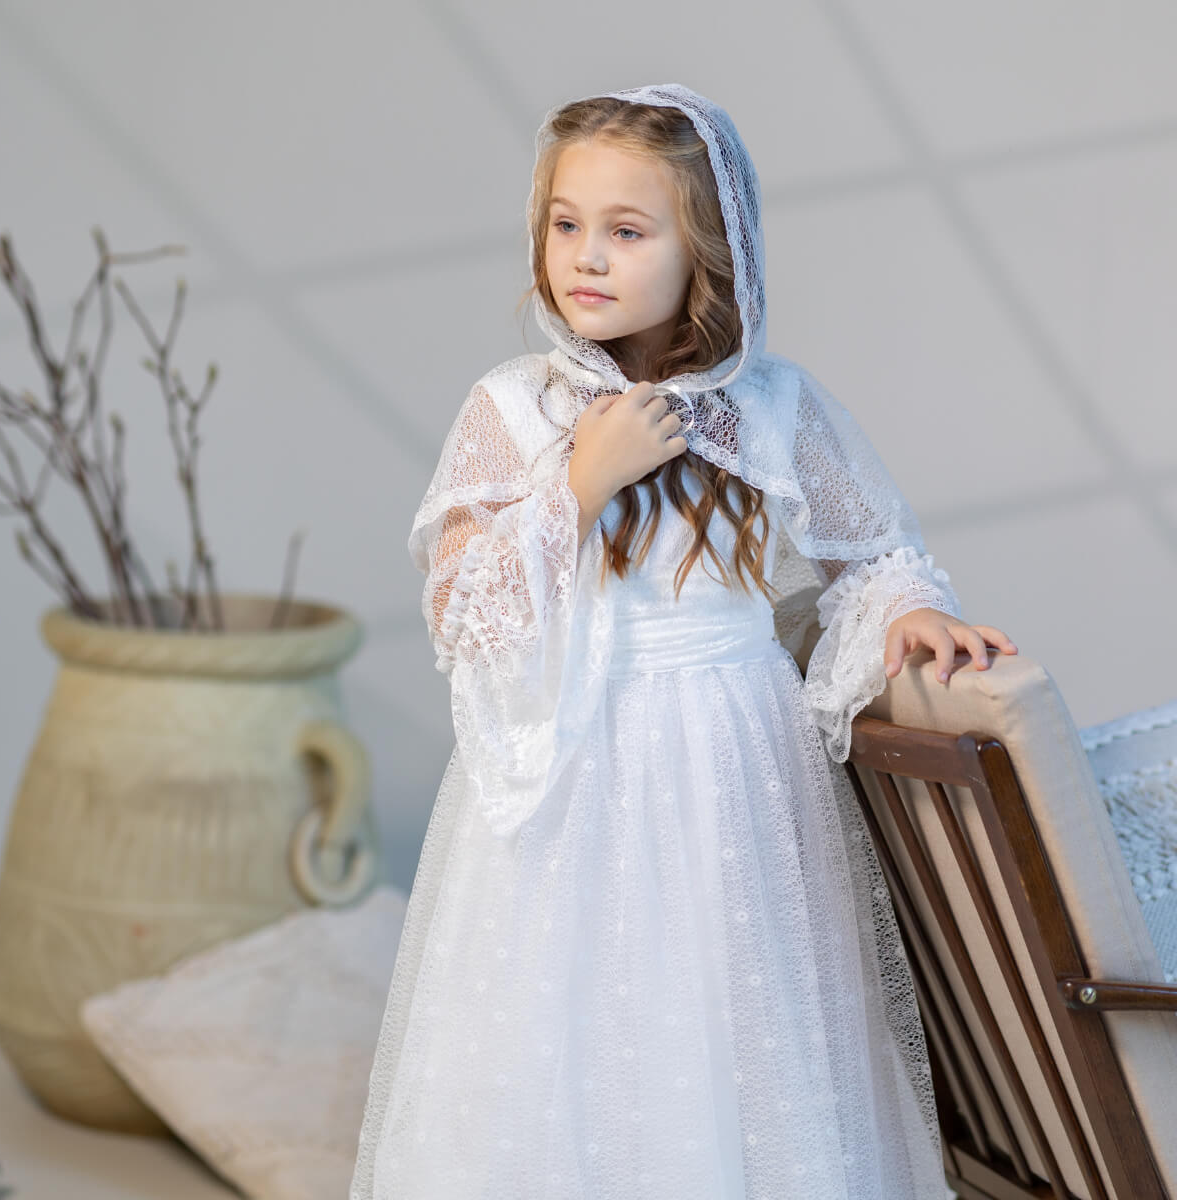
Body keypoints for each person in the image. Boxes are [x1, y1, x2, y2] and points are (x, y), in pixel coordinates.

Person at [349, 82, 1017, 1199]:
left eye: (626, 230)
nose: (586, 258)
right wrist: (581, 478)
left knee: (728, 1015)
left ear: (706, 250)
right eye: (566, 225)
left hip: (731, 766)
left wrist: (906, 609)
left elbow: (872, 556)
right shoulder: (515, 408)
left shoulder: (771, 406)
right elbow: (465, 606)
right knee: (559, 1023)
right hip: (571, 769)